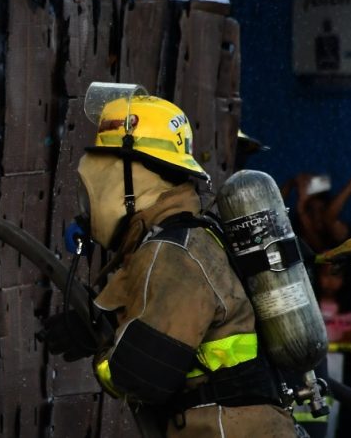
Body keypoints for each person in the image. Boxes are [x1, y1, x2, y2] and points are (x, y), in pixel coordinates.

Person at [39, 84, 295, 437]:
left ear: (133, 174)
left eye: (105, 168)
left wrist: (102, 347)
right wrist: (98, 324)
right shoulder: (184, 240)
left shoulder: (173, 253)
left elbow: (140, 376)